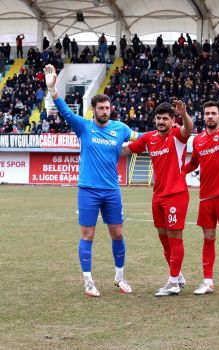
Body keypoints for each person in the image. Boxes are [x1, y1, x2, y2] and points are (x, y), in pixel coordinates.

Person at [44, 64, 140, 297]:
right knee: (88, 235)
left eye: (107, 107)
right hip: (88, 190)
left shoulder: (121, 128)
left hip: (112, 190)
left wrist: (165, 134)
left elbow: (140, 141)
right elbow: (65, 112)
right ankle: (88, 281)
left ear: (111, 109)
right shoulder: (84, 127)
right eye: (100, 108)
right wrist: (52, 89)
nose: (104, 111)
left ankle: (119, 277)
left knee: (117, 234)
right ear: (94, 109)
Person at [122, 100, 193, 296]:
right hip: (158, 195)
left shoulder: (177, 136)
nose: (161, 122)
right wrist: (101, 147)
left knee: (175, 237)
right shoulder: (149, 138)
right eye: (159, 118)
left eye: (165, 119)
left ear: (172, 121)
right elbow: (127, 149)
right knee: (164, 239)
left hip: (176, 194)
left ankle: (172, 283)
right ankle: (177, 276)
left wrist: (184, 113)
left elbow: (189, 128)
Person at [182, 72, 219, 296]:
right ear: (203, 116)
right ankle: (208, 281)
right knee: (208, 238)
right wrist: (178, 171)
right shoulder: (197, 140)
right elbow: (193, 163)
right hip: (205, 197)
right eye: (207, 113)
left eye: (214, 113)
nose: (210, 116)